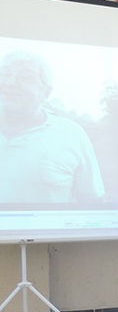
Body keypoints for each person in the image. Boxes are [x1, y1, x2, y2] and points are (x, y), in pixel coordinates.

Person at [0, 51, 104, 203]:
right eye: (4, 73)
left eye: (25, 77)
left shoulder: (71, 134)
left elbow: (94, 203)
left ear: (45, 92)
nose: (10, 83)